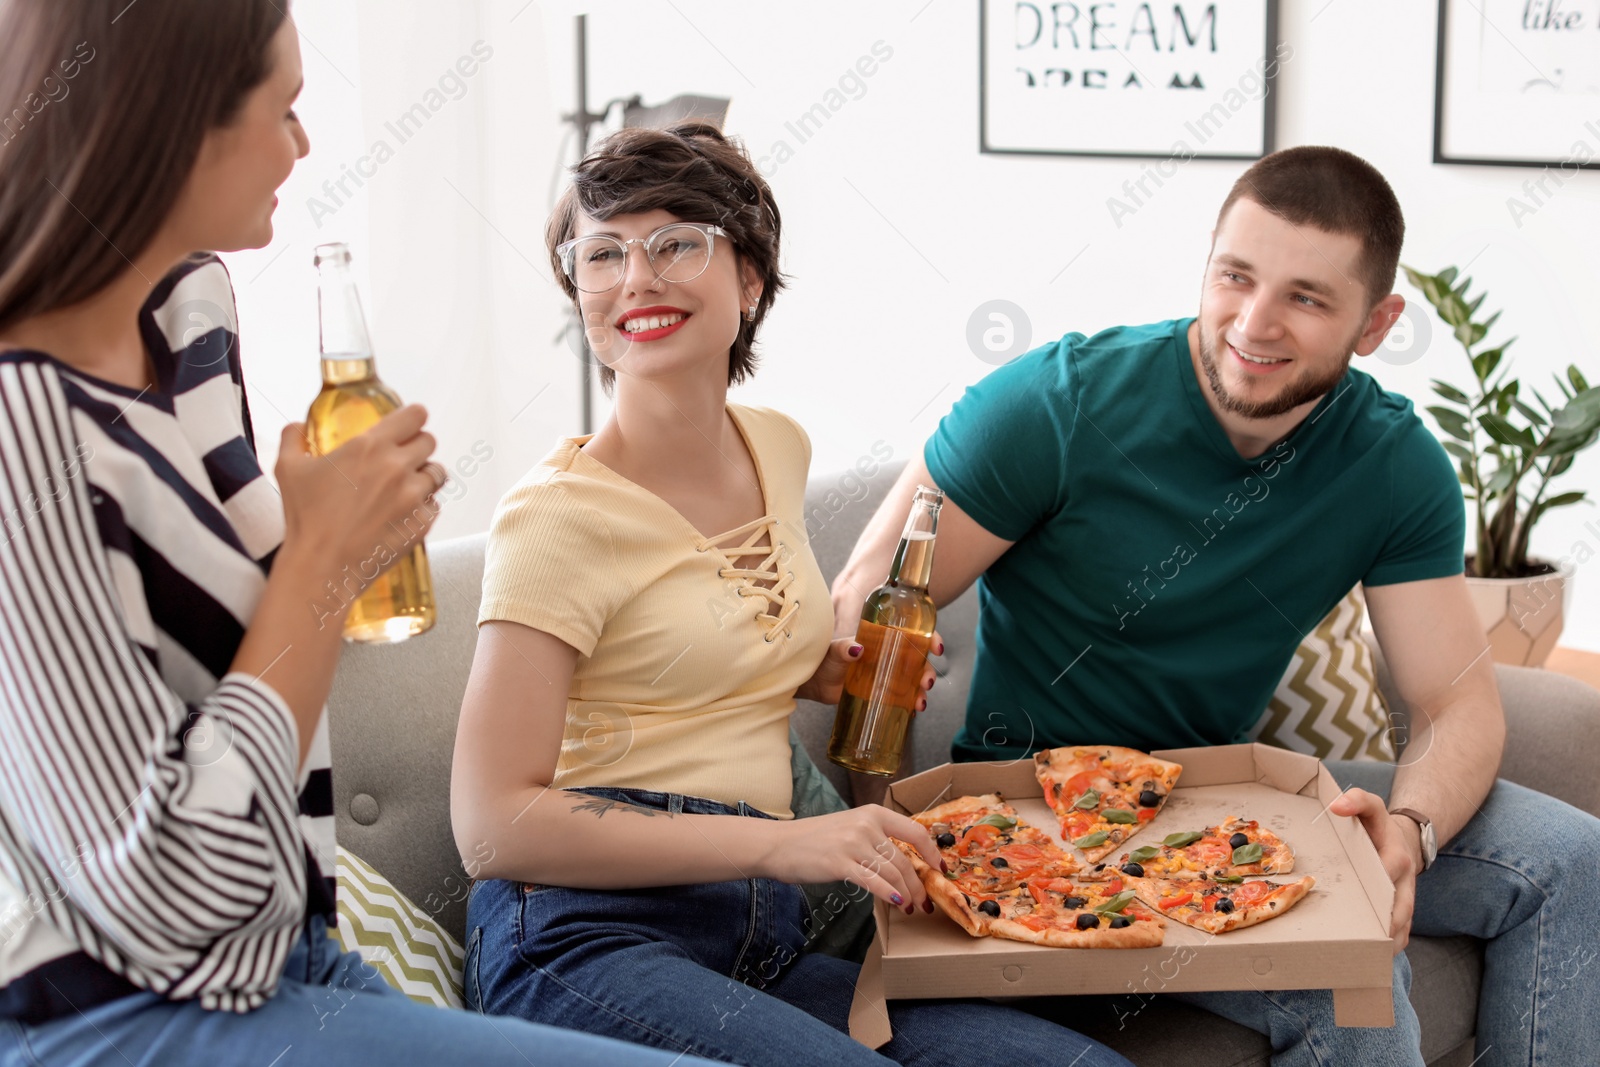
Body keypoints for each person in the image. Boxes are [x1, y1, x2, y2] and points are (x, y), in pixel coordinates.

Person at [0, 3, 721, 1064]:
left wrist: (324, 538)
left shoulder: (193, 315)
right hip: (113, 1002)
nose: (303, 146)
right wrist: (323, 564)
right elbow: (163, 903)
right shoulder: (25, 428)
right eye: (284, 110)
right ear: (168, 121)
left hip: (293, 944)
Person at [832, 145, 1600, 1066]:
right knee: (1346, 982)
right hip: (1028, 819)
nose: (1254, 322)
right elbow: (870, 605)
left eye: (1307, 298)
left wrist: (1414, 827)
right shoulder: (1060, 400)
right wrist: (873, 858)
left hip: (1226, 804)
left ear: (1376, 322)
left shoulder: (1393, 464)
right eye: (1236, 276)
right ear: (1208, 260)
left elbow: (1454, 703)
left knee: (1571, 857)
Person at [451, 121, 1136, 1067]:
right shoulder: (556, 516)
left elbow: (688, 646)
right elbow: (493, 826)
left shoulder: (776, 446)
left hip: (755, 944)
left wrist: (812, 664)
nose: (635, 279)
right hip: (584, 939)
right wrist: (788, 844)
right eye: (600, 254)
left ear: (750, 281)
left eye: (676, 243)